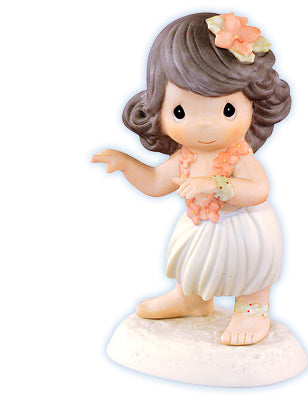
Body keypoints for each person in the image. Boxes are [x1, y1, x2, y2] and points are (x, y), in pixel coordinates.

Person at [92, 12, 291, 345]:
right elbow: (156, 183)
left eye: (227, 110)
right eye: (181, 112)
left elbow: (259, 189)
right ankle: (191, 299)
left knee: (250, 269)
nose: (204, 125)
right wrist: (126, 164)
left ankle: (252, 310)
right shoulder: (184, 157)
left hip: (244, 226)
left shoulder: (239, 156)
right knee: (193, 263)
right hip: (201, 226)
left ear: (253, 106)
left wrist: (215, 185)